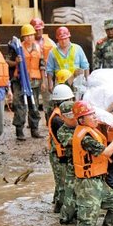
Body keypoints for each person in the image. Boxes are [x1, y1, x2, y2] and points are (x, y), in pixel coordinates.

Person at [71, 101, 113, 226]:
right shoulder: (86, 137)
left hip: (98, 181)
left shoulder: (92, 130)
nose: (95, 117)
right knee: (87, 225)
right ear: (81, 120)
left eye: (94, 114)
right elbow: (106, 152)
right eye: (91, 115)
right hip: (88, 184)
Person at [6, 24, 44, 140]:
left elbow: (42, 64)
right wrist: (16, 62)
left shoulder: (38, 47)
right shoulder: (17, 48)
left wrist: (43, 81)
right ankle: (19, 131)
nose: (29, 38)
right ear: (23, 37)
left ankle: (34, 129)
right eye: (26, 36)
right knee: (19, 106)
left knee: (34, 106)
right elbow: (7, 61)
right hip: (20, 81)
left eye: (31, 35)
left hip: (35, 81)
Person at [48, 84, 75, 213]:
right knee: (62, 183)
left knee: (60, 182)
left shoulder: (58, 114)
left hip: (59, 153)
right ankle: (59, 208)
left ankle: (57, 203)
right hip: (58, 154)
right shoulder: (58, 119)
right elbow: (65, 140)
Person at [46, 26, 90, 97]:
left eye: (65, 39)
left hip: (76, 81)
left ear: (69, 37)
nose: (63, 41)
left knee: (77, 101)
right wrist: (50, 84)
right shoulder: (52, 52)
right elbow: (49, 70)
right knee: (62, 103)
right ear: (57, 39)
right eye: (61, 39)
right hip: (61, 82)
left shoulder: (77, 48)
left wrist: (87, 82)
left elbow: (85, 66)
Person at [56, 101, 78, 225]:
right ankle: (65, 217)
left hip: (86, 166)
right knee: (69, 194)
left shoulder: (83, 125)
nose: (74, 119)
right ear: (63, 117)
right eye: (70, 116)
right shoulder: (62, 131)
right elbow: (73, 141)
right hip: (72, 166)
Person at [30, 18, 56, 115]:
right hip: (33, 76)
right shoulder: (28, 43)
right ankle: (33, 123)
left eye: (40, 29)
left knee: (48, 99)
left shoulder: (50, 43)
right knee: (33, 100)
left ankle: (48, 119)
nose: (38, 32)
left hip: (46, 75)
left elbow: (55, 57)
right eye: (36, 30)